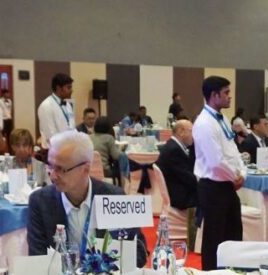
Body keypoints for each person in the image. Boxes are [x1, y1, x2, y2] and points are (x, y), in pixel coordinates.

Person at [27, 130, 147, 264]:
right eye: (50, 166)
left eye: (61, 169)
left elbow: (139, 253)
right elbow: (38, 258)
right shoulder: (40, 202)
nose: (53, 176)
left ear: (85, 168)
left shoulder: (113, 198)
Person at [192, 75, 246, 270]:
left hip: (227, 185)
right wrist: (235, 177)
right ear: (214, 95)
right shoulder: (204, 123)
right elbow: (216, 162)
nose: (229, 96)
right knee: (214, 239)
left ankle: (231, 274)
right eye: (226, 93)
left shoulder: (222, 119)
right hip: (213, 186)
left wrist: (242, 173)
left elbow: (233, 151)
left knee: (233, 235)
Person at [158, 119, 199, 248]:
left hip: (176, 190)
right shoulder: (174, 150)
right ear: (181, 132)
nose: (194, 135)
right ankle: (200, 237)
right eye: (191, 131)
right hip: (180, 196)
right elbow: (187, 178)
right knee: (213, 195)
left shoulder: (173, 146)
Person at [37, 73, 75, 148]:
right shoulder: (46, 106)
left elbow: (71, 127)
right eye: (68, 87)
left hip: (68, 149)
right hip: (53, 150)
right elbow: (50, 134)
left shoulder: (67, 104)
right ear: (59, 88)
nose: (72, 90)